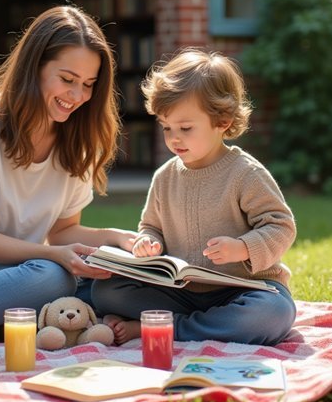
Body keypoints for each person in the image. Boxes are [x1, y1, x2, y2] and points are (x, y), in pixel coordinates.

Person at [0, 5, 136, 333]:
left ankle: (11, 320)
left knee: (110, 282)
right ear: (34, 67)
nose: (77, 96)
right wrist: (55, 256)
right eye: (67, 79)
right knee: (54, 277)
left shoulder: (79, 139)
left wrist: (115, 238)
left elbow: (62, 232)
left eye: (89, 84)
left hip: (23, 269)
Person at [92, 47, 297, 346]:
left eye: (186, 128)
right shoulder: (165, 177)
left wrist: (242, 248)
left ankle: (166, 328)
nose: (174, 138)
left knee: (273, 313)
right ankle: (190, 324)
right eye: (166, 128)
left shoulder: (245, 173)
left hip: (243, 289)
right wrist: (149, 243)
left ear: (223, 121)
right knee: (106, 291)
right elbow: (151, 226)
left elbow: (281, 226)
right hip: (181, 291)